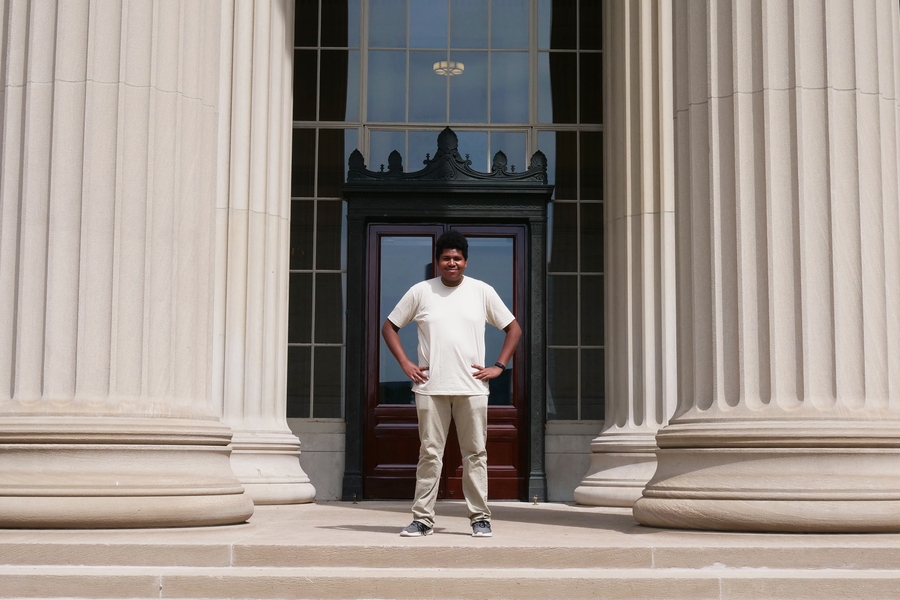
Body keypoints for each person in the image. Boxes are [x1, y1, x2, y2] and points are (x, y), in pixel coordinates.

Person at [382, 230, 522, 538]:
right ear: (437, 262)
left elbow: (513, 328)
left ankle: (479, 518)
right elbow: (389, 327)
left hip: (471, 387)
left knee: (475, 453)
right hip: (431, 388)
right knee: (430, 453)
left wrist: (499, 367)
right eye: (446, 258)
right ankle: (422, 519)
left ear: (466, 261)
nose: (452, 263)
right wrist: (405, 363)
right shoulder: (421, 291)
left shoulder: (481, 291)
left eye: (457, 258)